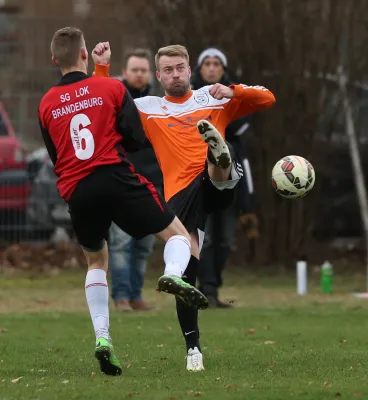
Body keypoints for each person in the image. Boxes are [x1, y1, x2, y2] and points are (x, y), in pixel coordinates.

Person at [94, 44, 275, 371]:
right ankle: (192, 346)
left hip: (216, 185)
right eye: (168, 69)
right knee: (187, 274)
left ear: (189, 69)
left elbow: (267, 98)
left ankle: (218, 153)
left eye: (180, 67)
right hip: (181, 197)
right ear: (158, 75)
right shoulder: (146, 107)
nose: (175, 74)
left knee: (220, 163)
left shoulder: (213, 97)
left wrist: (232, 89)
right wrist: (103, 70)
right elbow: (102, 110)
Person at [38, 28, 208, 377]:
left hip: (77, 189)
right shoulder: (112, 87)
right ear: (85, 55)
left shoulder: (45, 104)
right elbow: (132, 139)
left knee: (96, 261)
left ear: (55, 61)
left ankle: (103, 339)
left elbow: (55, 155)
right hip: (115, 177)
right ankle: (172, 275)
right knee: (178, 235)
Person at [191, 47, 258, 308]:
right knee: (203, 238)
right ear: (199, 69)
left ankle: (213, 287)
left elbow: (239, 138)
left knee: (226, 239)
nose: (211, 67)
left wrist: (249, 202)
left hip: (231, 180)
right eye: (206, 63)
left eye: (216, 63)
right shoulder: (191, 98)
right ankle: (205, 290)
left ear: (223, 69)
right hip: (200, 179)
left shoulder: (234, 99)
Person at [109, 49, 163, 312]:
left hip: (154, 181)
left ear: (150, 74)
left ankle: (136, 295)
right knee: (120, 243)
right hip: (123, 180)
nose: (139, 74)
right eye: (135, 70)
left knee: (143, 245)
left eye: (143, 70)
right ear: (125, 72)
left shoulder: (159, 102)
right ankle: (120, 297)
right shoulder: (113, 99)